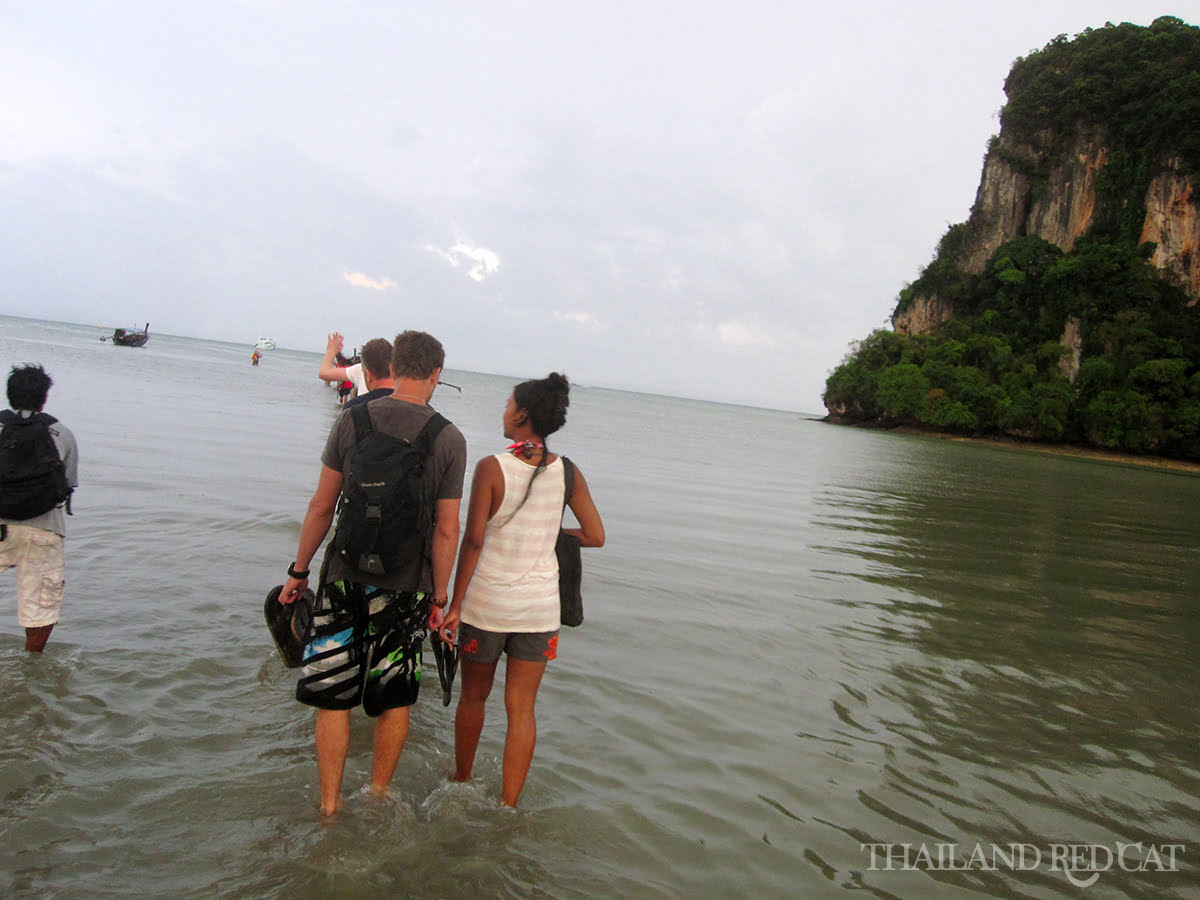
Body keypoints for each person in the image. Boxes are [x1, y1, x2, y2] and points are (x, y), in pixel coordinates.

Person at [278, 331, 466, 816]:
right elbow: (447, 530)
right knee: (395, 694)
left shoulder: (352, 419)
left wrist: (298, 572)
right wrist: (441, 597)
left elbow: (322, 505)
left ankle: (328, 805)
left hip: (343, 571)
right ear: (436, 374)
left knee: (333, 694)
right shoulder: (448, 438)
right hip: (407, 586)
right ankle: (379, 792)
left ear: (392, 367)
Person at [440, 373, 604, 807]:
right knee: (522, 710)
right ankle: (508, 806)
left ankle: (461, 779)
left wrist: (453, 605)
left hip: (488, 605)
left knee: (473, 697)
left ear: (522, 414)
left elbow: (473, 539)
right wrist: (550, 532)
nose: (504, 412)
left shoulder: (493, 467)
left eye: (508, 404)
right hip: (539, 610)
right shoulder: (568, 471)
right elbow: (595, 535)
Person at [0, 365, 79, 652]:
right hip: (44, 529)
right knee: (40, 607)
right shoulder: (62, 434)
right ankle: (32, 668)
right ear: (44, 399)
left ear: (9, 396)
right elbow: (68, 484)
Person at [342, 338, 396, 409]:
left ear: (368, 375)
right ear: (393, 370)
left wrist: (330, 351)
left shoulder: (353, 408)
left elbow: (325, 373)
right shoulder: (411, 404)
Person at [318, 332, 369, 403]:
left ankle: (342, 405)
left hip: (346, 386)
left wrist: (331, 351)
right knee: (344, 396)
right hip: (346, 385)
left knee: (344, 397)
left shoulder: (359, 370)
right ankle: (342, 405)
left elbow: (323, 374)